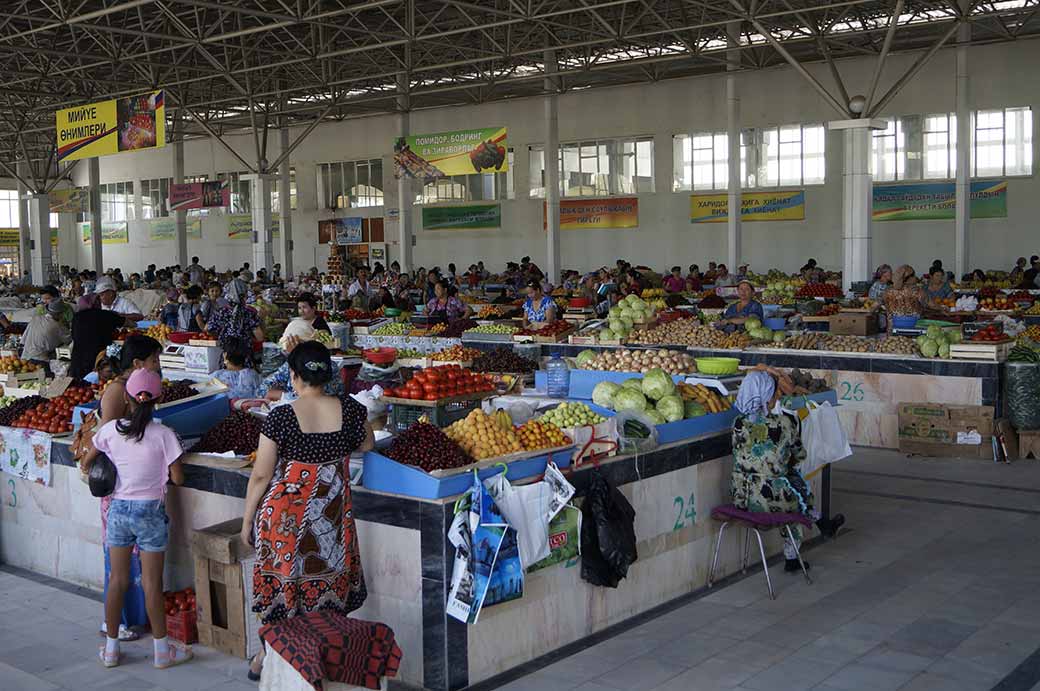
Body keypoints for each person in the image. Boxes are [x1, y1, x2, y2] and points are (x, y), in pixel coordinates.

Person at [240, 342, 373, 679]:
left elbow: (261, 474)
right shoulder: (352, 410)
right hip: (331, 521)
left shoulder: (282, 416)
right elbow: (368, 443)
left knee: (283, 591)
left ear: (294, 376)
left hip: (284, 518)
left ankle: (267, 658)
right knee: (327, 593)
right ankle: (322, 661)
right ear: (326, 374)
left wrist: (247, 520)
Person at [79, 368, 191, 670]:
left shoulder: (110, 430)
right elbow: (178, 479)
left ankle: (112, 650)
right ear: (159, 399)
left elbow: (87, 462)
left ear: (127, 398)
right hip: (150, 512)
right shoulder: (165, 434)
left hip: (118, 511)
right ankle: (161, 653)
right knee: (152, 583)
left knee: (118, 580)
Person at [730, 369, 843, 574]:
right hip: (775, 500)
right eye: (774, 393)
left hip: (743, 498)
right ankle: (794, 554)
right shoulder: (784, 423)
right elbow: (799, 455)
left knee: (785, 485)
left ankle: (821, 523)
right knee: (792, 489)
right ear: (766, 396)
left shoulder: (738, 424)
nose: (778, 396)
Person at [69, 294, 134, 379]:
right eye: (98, 301)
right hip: (98, 358)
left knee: (80, 385)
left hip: (77, 359)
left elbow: (74, 336)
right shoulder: (105, 314)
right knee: (99, 385)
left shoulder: (76, 317)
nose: (100, 303)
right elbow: (130, 323)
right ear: (95, 303)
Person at [207, 279, 264, 357]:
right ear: (245, 295)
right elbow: (260, 337)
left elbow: (208, 329)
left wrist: (222, 336)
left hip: (226, 355)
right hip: (244, 356)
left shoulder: (221, 312)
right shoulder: (249, 313)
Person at [21, 299, 71, 369]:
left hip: (24, 359)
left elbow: (23, 341)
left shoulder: (35, 318)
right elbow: (69, 340)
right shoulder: (58, 326)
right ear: (59, 314)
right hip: (41, 361)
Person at [884, 265, 924, 333]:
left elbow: (874, 306)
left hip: (893, 330)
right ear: (909, 278)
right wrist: (942, 308)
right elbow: (931, 305)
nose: (915, 278)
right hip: (913, 330)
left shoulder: (887, 291)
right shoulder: (916, 290)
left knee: (894, 343)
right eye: (914, 275)